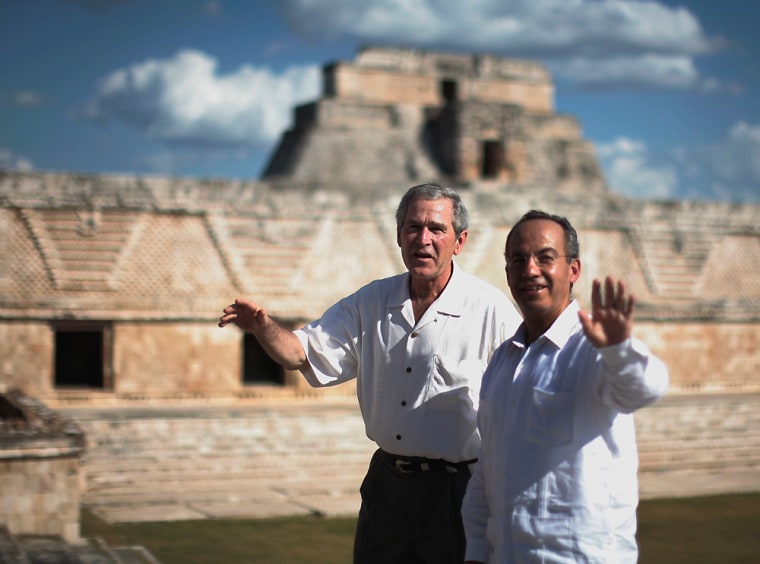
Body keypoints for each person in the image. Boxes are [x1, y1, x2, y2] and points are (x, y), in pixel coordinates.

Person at [218, 183, 522, 563]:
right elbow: (302, 353)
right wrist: (263, 326)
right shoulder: (371, 302)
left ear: (459, 242)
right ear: (398, 235)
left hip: (457, 492)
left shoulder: (491, 311)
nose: (422, 239)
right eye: (413, 227)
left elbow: (521, 402)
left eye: (436, 229)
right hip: (388, 485)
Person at [462, 210, 669, 564]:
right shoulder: (502, 362)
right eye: (518, 260)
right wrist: (477, 552)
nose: (530, 270)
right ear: (508, 273)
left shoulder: (592, 350)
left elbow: (646, 388)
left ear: (573, 270)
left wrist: (619, 350)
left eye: (545, 258)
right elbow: (488, 471)